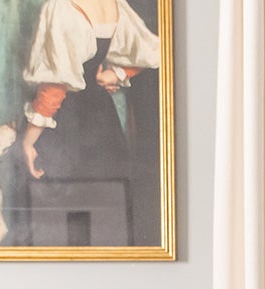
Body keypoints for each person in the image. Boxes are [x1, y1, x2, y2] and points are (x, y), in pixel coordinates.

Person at [17, 0, 160, 245]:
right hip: (102, 122)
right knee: (104, 216)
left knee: (55, 224)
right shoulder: (114, 4)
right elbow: (149, 49)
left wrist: (28, 142)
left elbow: (54, 89)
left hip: (64, 126)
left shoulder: (61, 7)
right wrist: (116, 73)